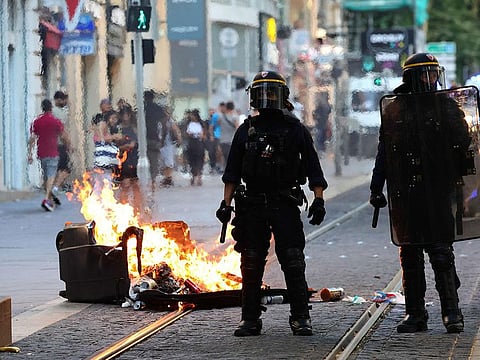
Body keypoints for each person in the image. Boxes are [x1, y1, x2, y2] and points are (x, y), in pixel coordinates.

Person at [216, 71, 328, 337]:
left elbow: (313, 168)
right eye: (262, 92)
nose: (266, 98)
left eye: (271, 92)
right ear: (254, 97)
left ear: (282, 97)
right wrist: (225, 203)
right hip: (252, 204)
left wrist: (319, 199)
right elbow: (232, 172)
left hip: (284, 201)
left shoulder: (295, 129)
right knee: (251, 262)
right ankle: (250, 319)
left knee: (293, 260)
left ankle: (300, 317)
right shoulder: (246, 130)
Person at [369, 53, 470, 334]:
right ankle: (415, 313)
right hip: (407, 192)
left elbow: (465, 146)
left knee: (440, 252)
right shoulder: (396, 109)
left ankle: (451, 312)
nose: (430, 79)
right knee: (410, 255)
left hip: (437, 190)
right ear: (412, 77)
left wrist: (458, 177)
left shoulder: (446, 107)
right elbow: (384, 153)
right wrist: (376, 187)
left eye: (432, 73)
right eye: (424, 74)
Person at [27, 99, 71, 211]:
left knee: (47, 175)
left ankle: (50, 198)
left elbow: (32, 139)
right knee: (51, 176)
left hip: (41, 153)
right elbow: (64, 136)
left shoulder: (36, 122)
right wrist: (68, 146)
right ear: (51, 108)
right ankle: (47, 199)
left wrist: (30, 154)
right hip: (52, 151)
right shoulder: (56, 121)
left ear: (42, 108)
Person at [144, 90, 168, 189]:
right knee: (153, 161)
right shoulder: (158, 109)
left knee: (142, 160)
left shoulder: (141, 109)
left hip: (142, 139)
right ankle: (152, 181)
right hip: (154, 138)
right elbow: (164, 124)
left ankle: (146, 181)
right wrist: (162, 139)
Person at [51, 90, 71, 204]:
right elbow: (62, 131)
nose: (65, 102)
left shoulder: (50, 112)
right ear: (59, 100)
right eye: (64, 99)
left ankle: (53, 190)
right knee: (66, 169)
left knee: (56, 169)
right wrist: (68, 144)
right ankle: (55, 188)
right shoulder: (60, 113)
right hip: (60, 144)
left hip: (50, 144)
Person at [158, 106, 182, 187]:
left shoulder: (170, 121)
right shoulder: (159, 121)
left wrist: (179, 139)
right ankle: (167, 178)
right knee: (164, 162)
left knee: (169, 162)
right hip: (162, 145)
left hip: (169, 145)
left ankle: (168, 178)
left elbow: (176, 130)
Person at [185, 109, 206, 186]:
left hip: (199, 143)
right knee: (192, 160)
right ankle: (193, 176)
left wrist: (201, 135)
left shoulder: (201, 124)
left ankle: (199, 176)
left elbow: (203, 134)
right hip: (192, 143)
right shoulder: (189, 124)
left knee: (199, 160)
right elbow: (187, 133)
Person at [219, 101, 238, 170]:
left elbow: (217, 125)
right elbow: (237, 128)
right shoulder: (235, 117)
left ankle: (224, 168)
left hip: (222, 140)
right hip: (231, 140)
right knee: (231, 156)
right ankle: (229, 169)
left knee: (224, 156)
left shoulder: (221, 117)